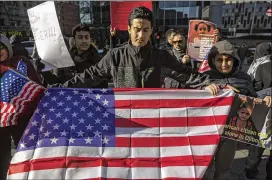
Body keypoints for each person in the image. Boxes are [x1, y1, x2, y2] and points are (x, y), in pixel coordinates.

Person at [57, 6, 193, 88]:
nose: (141, 35)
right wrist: (59, 89)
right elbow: (89, 76)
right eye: (137, 29)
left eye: (146, 30)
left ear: (151, 30)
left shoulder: (162, 56)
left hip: (151, 119)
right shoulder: (115, 56)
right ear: (129, 29)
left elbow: (187, 75)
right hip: (124, 122)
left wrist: (207, 85)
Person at [201, 40, 271, 180]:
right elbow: (193, 98)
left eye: (228, 60)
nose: (224, 64)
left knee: (224, 170)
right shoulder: (205, 77)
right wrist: (204, 89)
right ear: (212, 60)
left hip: (230, 134)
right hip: (207, 132)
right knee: (205, 171)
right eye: (219, 60)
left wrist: (265, 98)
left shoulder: (244, 79)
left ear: (235, 60)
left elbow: (252, 99)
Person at [0, 34, 42, 180]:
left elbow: (36, 87)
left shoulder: (21, 62)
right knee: (3, 156)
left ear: (8, 48)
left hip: (23, 118)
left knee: (24, 152)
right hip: (2, 121)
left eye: (1, 47)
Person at [39, 23, 108, 88]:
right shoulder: (64, 59)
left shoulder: (98, 61)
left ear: (90, 40)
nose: (84, 41)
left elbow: (102, 88)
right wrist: (45, 72)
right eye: (80, 37)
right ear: (74, 40)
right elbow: (57, 83)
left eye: (86, 37)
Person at [244, 42, 272, 180]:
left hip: (260, 112)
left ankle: (250, 173)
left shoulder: (257, 65)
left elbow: (252, 88)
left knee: (256, 147)